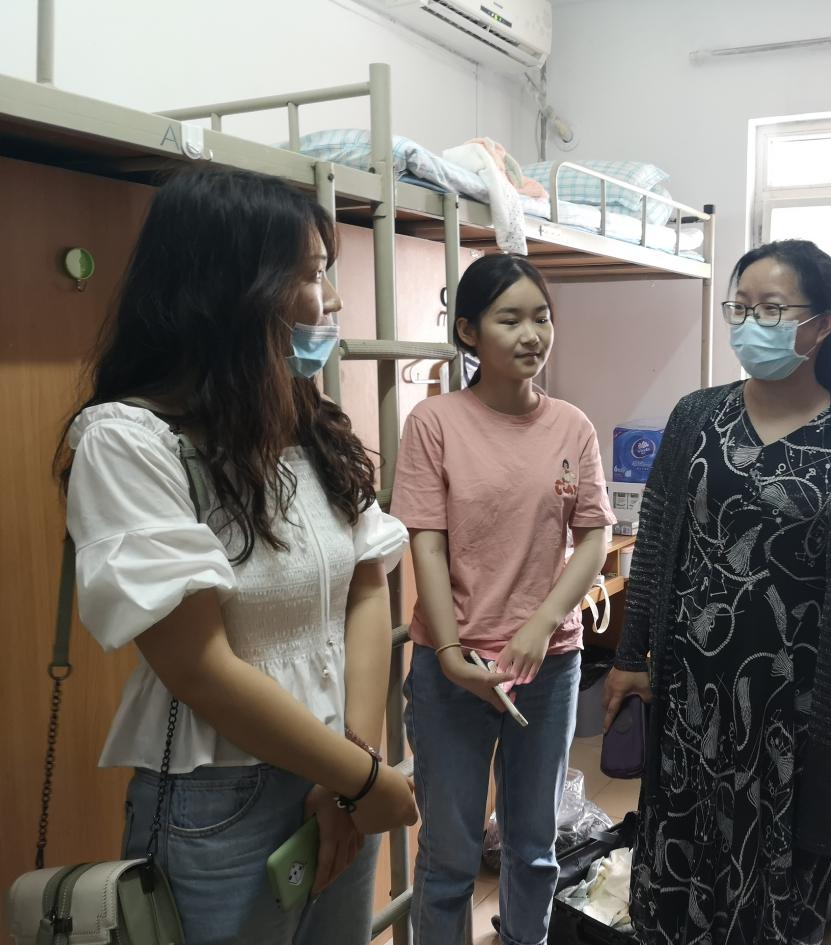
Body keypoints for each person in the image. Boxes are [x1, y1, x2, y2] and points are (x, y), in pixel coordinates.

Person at [57, 165, 418, 945]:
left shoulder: (306, 421)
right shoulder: (128, 441)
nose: (331, 300)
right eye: (312, 275)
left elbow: (366, 583)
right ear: (233, 289)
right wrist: (361, 778)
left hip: (339, 767)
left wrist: (351, 765)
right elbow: (200, 666)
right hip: (223, 799)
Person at [602, 239, 831, 945]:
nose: (750, 324)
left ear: (822, 324)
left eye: (771, 309)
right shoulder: (696, 416)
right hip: (691, 688)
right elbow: (656, 544)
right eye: (739, 308)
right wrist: (629, 655)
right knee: (680, 843)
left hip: (798, 702)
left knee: (782, 862)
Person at [390, 253, 616, 945]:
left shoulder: (572, 425)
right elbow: (426, 544)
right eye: (509, 319)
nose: (531, 335)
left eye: (542, 317)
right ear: (468, 331)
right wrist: (451, 652)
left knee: (534, 846)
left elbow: (594, 537)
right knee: (449, 858)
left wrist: (543, 625)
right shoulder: (434, 422)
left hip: (549, 666)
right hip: (453, 669)